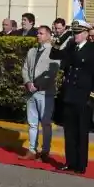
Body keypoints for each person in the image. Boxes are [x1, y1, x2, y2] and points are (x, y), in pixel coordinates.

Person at [57, 21, 94, 174]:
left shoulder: (93, 50)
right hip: (70, 94)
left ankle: (81, 164)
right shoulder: (71, 48)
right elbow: (54, 54)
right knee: (69, 131)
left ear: (87, 34)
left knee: (81, 132)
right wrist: (62, 38)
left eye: (79, 32)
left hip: (84, 96)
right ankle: (70, 161)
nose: (76, 35)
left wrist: (92, 98)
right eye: (74, 32)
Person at [20, 26, 59, 160]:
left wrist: (37, 85)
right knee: (32, 123)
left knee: (45, 123)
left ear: (48, 36)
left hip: (44, 92)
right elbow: (25, 68)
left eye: (41, 34)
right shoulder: (32, 51)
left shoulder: (53, 52)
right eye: (38, 33)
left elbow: (52, 73)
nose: (38, 35)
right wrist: (28, 82)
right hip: (31, 92)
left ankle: (45, 151)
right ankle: (32, 149)